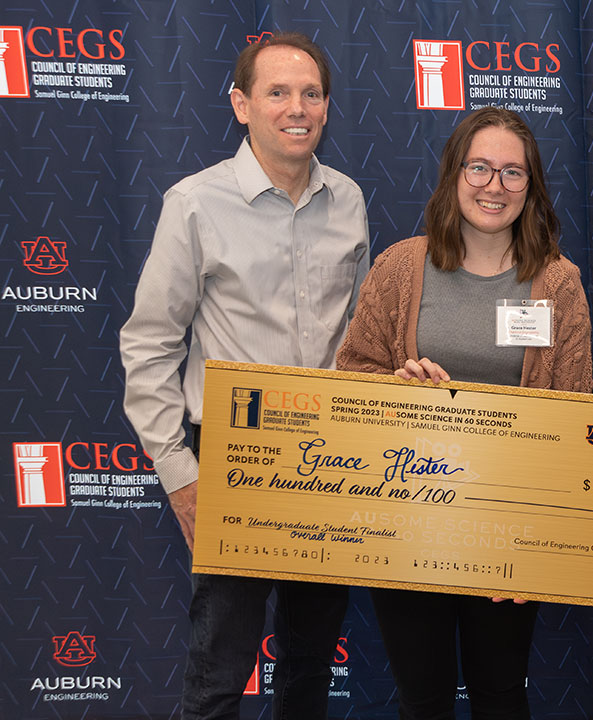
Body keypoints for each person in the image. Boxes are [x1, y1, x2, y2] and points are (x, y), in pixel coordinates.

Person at [119, 32, 368, 719]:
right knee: (219, 673)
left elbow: (360, 339)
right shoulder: (195, 204)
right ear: (241, 104)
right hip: (232, 461)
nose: (298, 108)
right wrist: (182, 474)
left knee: (311, 665)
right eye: (278, 92)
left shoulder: (348, 201)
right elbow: (148, 345)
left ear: (326, 106)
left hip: (328, 461)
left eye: (311, 93)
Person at [336, 106, 591, 719]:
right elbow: (352, 376)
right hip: (406, 523)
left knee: (500, 694)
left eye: (512, 172)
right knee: (422, 698)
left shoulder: (558, 283)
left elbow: (576, 416)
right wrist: (400, 385)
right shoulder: (401, 265)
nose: (493, 186)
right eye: (479, 167)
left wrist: (534, 547)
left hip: (509, 530)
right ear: (455, 174)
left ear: (531, 188)